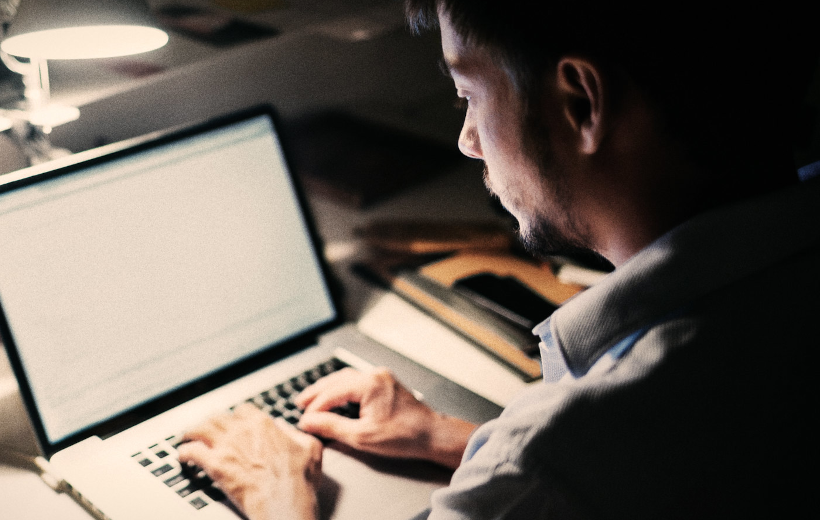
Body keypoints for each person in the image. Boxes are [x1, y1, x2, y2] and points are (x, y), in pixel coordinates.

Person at [176, 0, 818, 518]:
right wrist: (449, 438)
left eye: (467, 95)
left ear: (582, 104)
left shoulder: (559, 456)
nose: (467, 141)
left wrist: (278, 497)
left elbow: (574, 470)